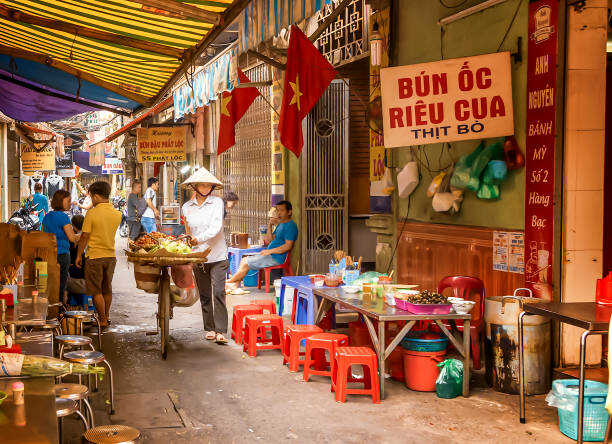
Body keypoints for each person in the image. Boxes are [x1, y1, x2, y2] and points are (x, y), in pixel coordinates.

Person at [181, 167, 229, 344]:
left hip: (217, 255)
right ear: (195, 186)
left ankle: (221, 330)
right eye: (202, 184)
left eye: (208, 184)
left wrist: (197, 239)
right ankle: (209, 328)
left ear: (212, 187)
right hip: (199, 257)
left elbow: (216, 228)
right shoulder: (186, 207)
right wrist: (189, 245)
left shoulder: (217, 203)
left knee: (218, 292)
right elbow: (187, 231)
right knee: (205, 294)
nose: (205, 186)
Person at [76, 181, 121, 328]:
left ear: (95, 196)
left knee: (96, 290)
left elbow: (84, 237)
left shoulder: (92, 213)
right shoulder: (117, 214)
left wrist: (78, 255)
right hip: (110, 256)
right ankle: (106, 316)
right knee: (107, 288)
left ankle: (102, 319)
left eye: (91, 197)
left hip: (94, 256)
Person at [226, 201, 297, 289]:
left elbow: (288, 246)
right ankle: (235, 284)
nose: (279, 213)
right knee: (244, 259)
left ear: (289, 212)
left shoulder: (291, 226)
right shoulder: (281, 225)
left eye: (281, 210)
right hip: (271, 255)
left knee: (245, 262)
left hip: (277, 258)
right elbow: (269, 240)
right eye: (277, 210)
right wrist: (270, 225)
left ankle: (229, 281)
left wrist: (269, 251)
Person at [42, 190, 81, 303]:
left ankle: (49, 309)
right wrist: (85, 233)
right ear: (60, 201)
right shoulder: (63, 217)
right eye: (68, 201)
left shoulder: (47, 217)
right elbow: (72, 238)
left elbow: (43, 235)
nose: (70, 203)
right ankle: (58, 312)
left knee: (49, 284)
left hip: (48, 256)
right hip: (62, 256)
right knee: (60, 285)